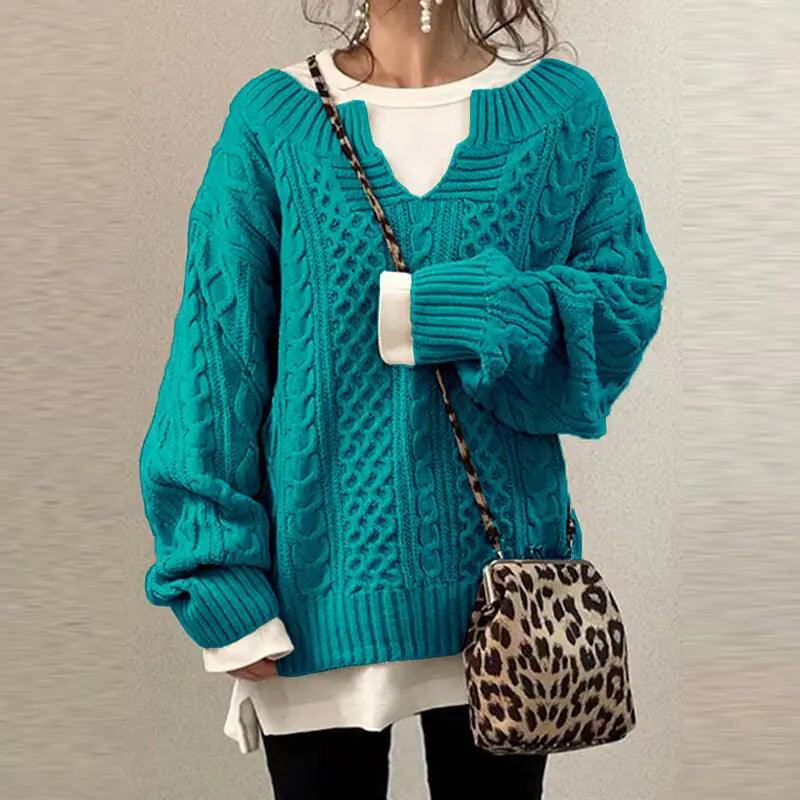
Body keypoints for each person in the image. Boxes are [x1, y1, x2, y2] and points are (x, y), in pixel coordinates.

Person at [138, 1, 666, 797]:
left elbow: (623, 306)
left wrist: (470, 310)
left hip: (509, 605)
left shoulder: (562, 111)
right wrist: (214, 572)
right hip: (315, 603)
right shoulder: (273, 120)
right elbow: (214, 362)